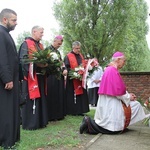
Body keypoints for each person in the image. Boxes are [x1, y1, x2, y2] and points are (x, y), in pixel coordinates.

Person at [80, 51, 147, 134]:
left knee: (135, 106)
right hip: (111, 103)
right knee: (109, 129)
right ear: (118, 60)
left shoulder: (110, 69)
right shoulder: (112, 70)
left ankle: (90, 125)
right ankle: (88, 122)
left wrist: (128, 95)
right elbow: (118, 92)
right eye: (124, 60)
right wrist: (129, 97)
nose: (124, 63)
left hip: (109, 101)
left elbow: (118, 88)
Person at [19, 26, 48, 130]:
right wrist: (37, 64)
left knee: (41, 99)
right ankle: (31, 123)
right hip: (31, 78)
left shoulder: (40, 45)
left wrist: (46, 64)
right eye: (41, 32)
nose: (42, 34)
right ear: (34, 32)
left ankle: (41, 121)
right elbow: (23, 61)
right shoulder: (26, 44)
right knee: (31, 100)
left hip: (40, 77)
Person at [0, 8, 20, 148]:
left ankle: (11, 138)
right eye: (14, 20)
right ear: (5, 19)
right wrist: (7, 78)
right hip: (5, 82)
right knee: (6, 111)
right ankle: (6, 140)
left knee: (11, 110)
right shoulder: (1, 33)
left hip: (11, 79)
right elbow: (2, 58)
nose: (16, 23)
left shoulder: (5, 34)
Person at [45, 35, 67, 121]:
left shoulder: (58, 52)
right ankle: (51, 115)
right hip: (51, 76)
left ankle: (58, 114)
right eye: (58, 44)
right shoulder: (47, 50)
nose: (59, 45)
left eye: (60, 44)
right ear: (54, 41)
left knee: (59, 94)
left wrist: (64, 69)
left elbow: (61, 63)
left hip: (59, 76)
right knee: (52, 94)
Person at [64, 41, 89, 115]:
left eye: (79, 48)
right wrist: (74, 73)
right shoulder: (68, 56)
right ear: (73, 47)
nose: (78, 50)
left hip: (80, 79)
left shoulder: (81, 56)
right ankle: (73, 111)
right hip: (72, 80)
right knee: (72, 95)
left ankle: (81, 110)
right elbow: (66, 67)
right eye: (77, 48)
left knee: (81, 96)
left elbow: (83, 64)